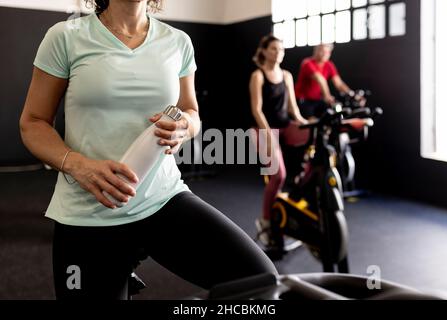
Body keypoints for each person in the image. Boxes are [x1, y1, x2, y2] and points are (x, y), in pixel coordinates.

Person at [19, 0, 277, 299]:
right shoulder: (66, 36)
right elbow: (33, 122)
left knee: (261, 283)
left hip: (162, 198)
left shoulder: (177, 41)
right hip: (89, 212)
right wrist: (78, 165)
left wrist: (186, 127)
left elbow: (190, 111)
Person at [249, 35, 309, 248]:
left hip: (285, 127)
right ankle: (265, 220)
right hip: (262, 129)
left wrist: (304, 123)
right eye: (274, 49)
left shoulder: (286, 75)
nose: (278, 53)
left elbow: (293, 108)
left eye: (281, 50)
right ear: (264, 51)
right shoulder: (258, 75)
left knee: (317, 135)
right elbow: (256, 109)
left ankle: (302, 186)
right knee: (278, 175)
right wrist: (268, 135)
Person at [294, 43, 364, 119]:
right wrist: (327, 97)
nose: (325, 54)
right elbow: (321, 80)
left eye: (327, 52)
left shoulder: (329, 65)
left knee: (332, 117)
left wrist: (352, 95)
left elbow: (339, 83)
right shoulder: (307, 63)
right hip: (304, 100)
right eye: (322, 51)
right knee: (312, 123)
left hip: (318, 100)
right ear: (315, 51)